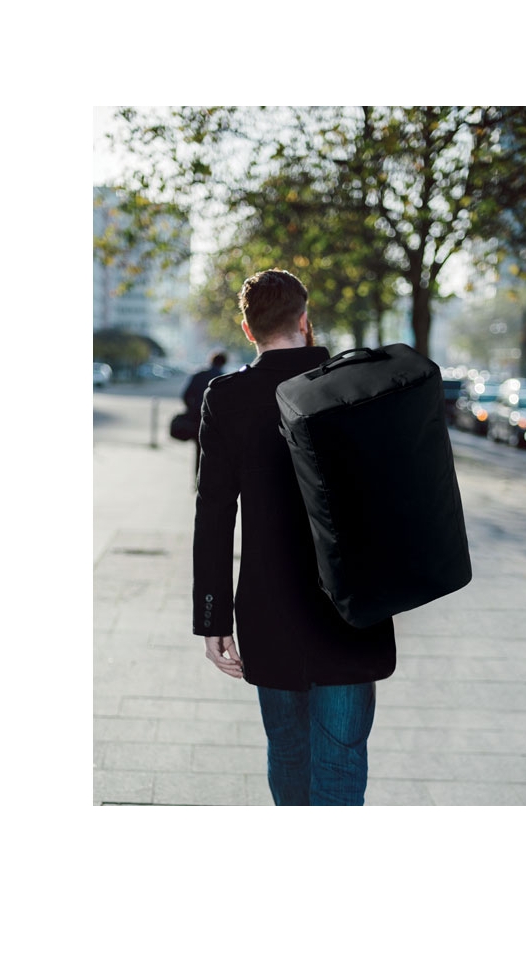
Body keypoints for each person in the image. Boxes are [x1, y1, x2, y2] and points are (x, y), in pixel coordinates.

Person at [192, 268, 396, 806]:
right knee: (341, 759)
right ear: (305, 321)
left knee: (286, 749)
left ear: (247, 329)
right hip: (350, 608)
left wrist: (212, 618)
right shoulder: (353, 386)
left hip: (270, 608)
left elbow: (213, 513)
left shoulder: (227, 398)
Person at [182, 351, 227, 484]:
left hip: (198, 419)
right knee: (215, 453)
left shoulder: (199, 375)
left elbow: (186, 395)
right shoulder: (224, 378)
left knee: (199, 451)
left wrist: (192, 410)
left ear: (211, 361)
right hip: (218, 422)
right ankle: (210, 481)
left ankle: (198, 481)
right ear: (224, 363)